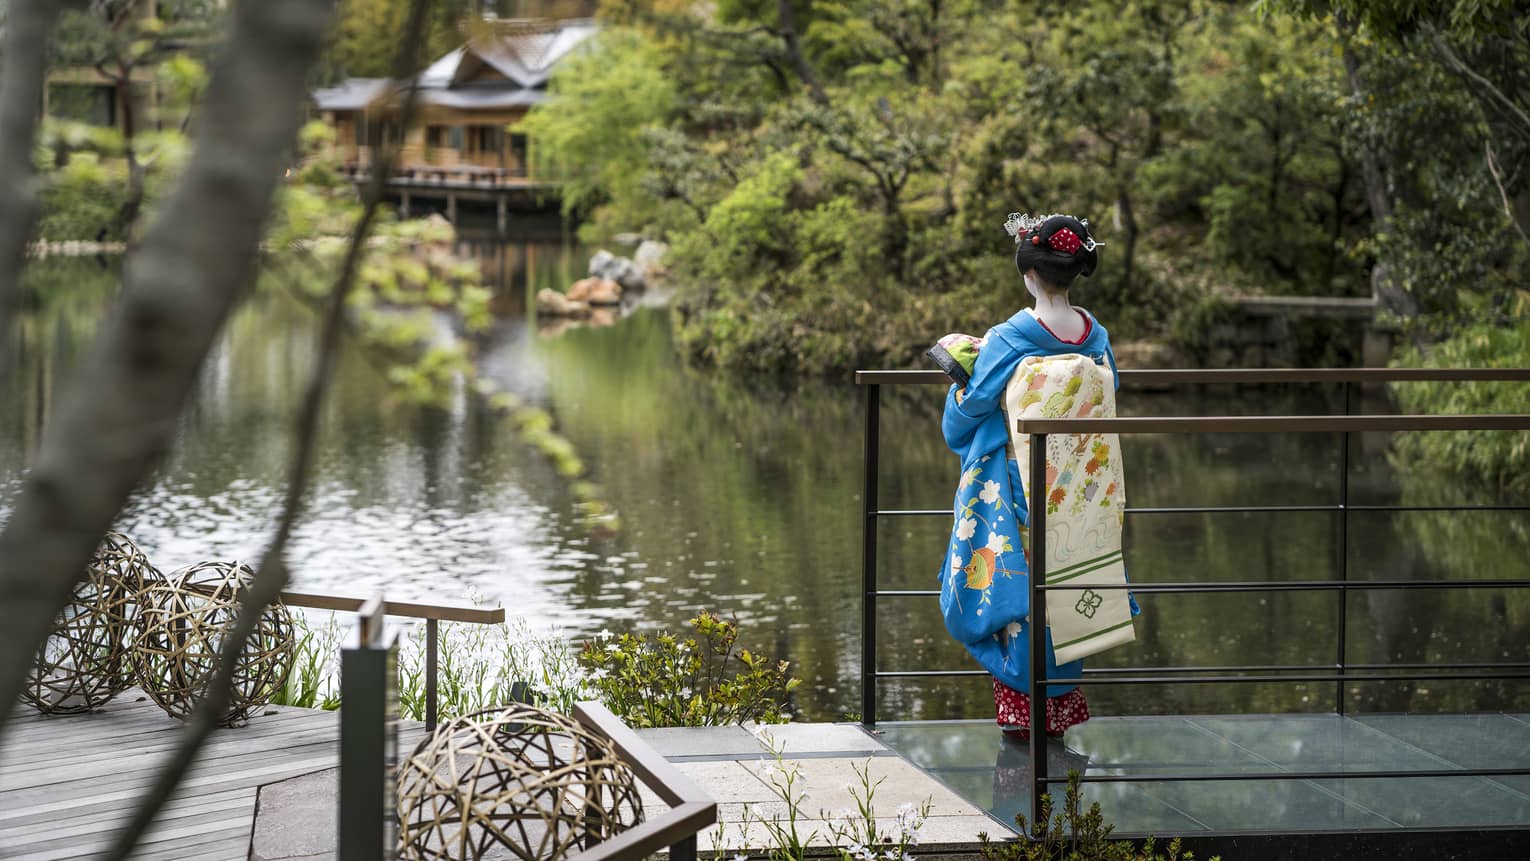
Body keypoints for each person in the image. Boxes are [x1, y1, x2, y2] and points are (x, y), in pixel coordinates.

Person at [934, 212, 1137, 740]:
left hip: (1022, 489)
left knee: (1019, 601)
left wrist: (961, 381)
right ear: (1072, 274)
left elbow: (969, 412)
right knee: (1066, 590)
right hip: (1078, 489)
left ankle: (1021, 722)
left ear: (1028, 275)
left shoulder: (1011, 335)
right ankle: (1056, 718)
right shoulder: (1096, 336)